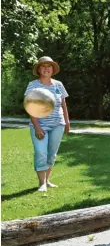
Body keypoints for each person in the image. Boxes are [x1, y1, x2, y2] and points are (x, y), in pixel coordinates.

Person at [25, 56, 70, 192]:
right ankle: (41, 183)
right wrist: (37, 127)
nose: (46, 68)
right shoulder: (33, 85)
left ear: (53, 69)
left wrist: (67, 122)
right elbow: (29, 106)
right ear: (38, 69)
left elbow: (63, 104)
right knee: (40, 152)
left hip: (58, 124)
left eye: (49, 66)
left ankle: (47, 180)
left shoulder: (58, 84)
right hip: (40, 125)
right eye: (43, 66)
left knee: (51, 154)